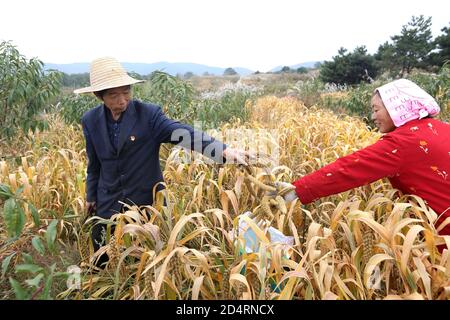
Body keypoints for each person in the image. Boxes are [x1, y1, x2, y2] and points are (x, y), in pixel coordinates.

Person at [75, 57, 251, 266]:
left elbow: (184, 133)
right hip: (108, 201)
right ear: (99, 96)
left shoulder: (148, 115)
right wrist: (91, 195)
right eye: (114, 95)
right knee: (101, 260)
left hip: (145, 204)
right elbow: (94, 165)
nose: (122, 100)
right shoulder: (90, 120)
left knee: (144, 264)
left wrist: (223, 150)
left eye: (126, 92)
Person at [274, 79, 450, 251]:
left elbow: (349, 169)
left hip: (444, 238)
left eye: (376, 109)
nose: (372, 116)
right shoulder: (443, 128)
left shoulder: (403, 142)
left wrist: (296, 191)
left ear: (395, 107)